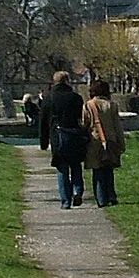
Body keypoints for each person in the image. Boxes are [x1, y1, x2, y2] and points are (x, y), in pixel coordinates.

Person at [38, 69, 87, 208]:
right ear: (67, 81)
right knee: (76, 165)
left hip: (57, 136)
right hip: (74, 135)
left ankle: (66, 201)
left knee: (62, 169)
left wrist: (43, 141)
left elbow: (43, 122)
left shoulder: (49, 98)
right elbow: (80, 119)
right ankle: (78, 191)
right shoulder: (76, 98)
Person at [83, 77, 126, 208]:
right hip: (111, 140)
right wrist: (121, 142)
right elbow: (117, 126)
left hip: (95, 141)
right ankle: (111, 195)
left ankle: (101, 199)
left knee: (98, 171)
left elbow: (85, 124)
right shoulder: (112, 105)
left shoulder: (88, 105)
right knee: (109, 169)